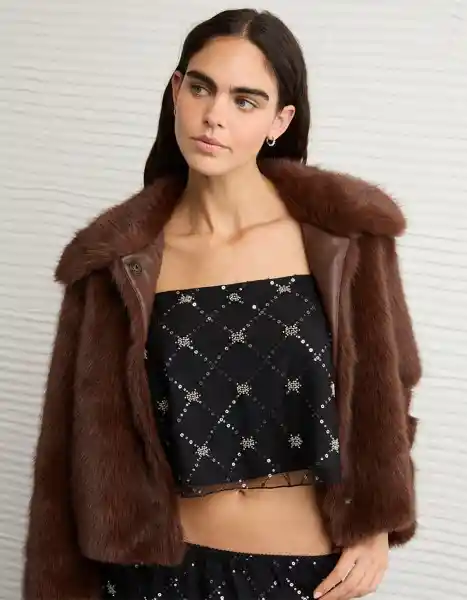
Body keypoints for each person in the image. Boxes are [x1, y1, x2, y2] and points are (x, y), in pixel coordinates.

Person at [22, 8, 422, 600]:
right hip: (152, 578)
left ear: (280, 120)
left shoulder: (346, 238)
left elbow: (391, 385)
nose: (214, 115)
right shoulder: (115, 262)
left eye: (245, 100)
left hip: (296, 575)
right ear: (175, 90)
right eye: (201, 88)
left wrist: (375, 522)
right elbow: (66, 452)